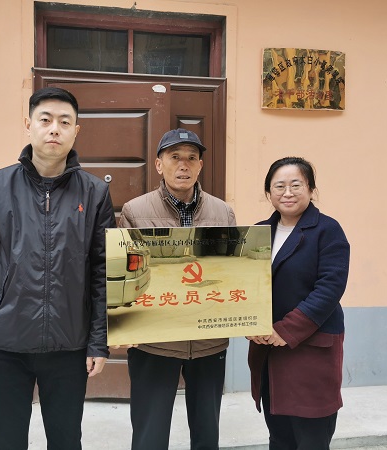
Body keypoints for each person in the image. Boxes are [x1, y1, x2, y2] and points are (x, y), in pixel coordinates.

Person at [0, 87, 116, 450]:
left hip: (69, 346)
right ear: (28, 125)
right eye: (45, 119)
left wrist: (98, 342)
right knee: (6, 441)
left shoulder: (94, 193)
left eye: (65, 122)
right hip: (4, 347)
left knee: (66, 440)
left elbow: (103, 273)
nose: (54, 128)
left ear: (77, 130)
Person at [118, 128, 237, 450]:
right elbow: (126, 273)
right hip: (154, 343)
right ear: (159, 165)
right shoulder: (134, 211)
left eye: (191, 158)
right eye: (174, 157)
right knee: (150, 435)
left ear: (200, 166)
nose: (183, 165)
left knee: (207, 433)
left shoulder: (223, 213)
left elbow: (231, 271)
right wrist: (123, 325)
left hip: (208, 341)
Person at [247, 157, 350, 450]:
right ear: (268, 192)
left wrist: (286, 329)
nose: (287, 193)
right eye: (279, 186)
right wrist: (249, 323)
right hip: (269, 351)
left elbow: (329, 288)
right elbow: (245, 285)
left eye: (296, 185)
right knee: (280, 438)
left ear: (311, 189)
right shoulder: (257, 233)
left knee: (311, 439)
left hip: (310, 350)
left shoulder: (327, 230)